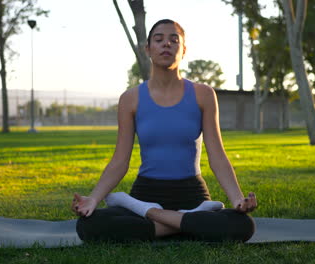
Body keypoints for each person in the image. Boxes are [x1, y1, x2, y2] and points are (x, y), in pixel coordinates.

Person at [71, 19, 257, 242]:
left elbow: (217, 156)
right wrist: (93, 199)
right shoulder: (130, 99)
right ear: (148, 49)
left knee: (243, 225)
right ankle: (187, 222)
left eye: (173, 40)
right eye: (158, 40)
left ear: (183, 50)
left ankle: (157, 218)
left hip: (193, 195)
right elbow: (120, 161)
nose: (166, 44)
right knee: (89, 226)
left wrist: (237, 199)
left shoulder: (203, 94)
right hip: (146, 195)